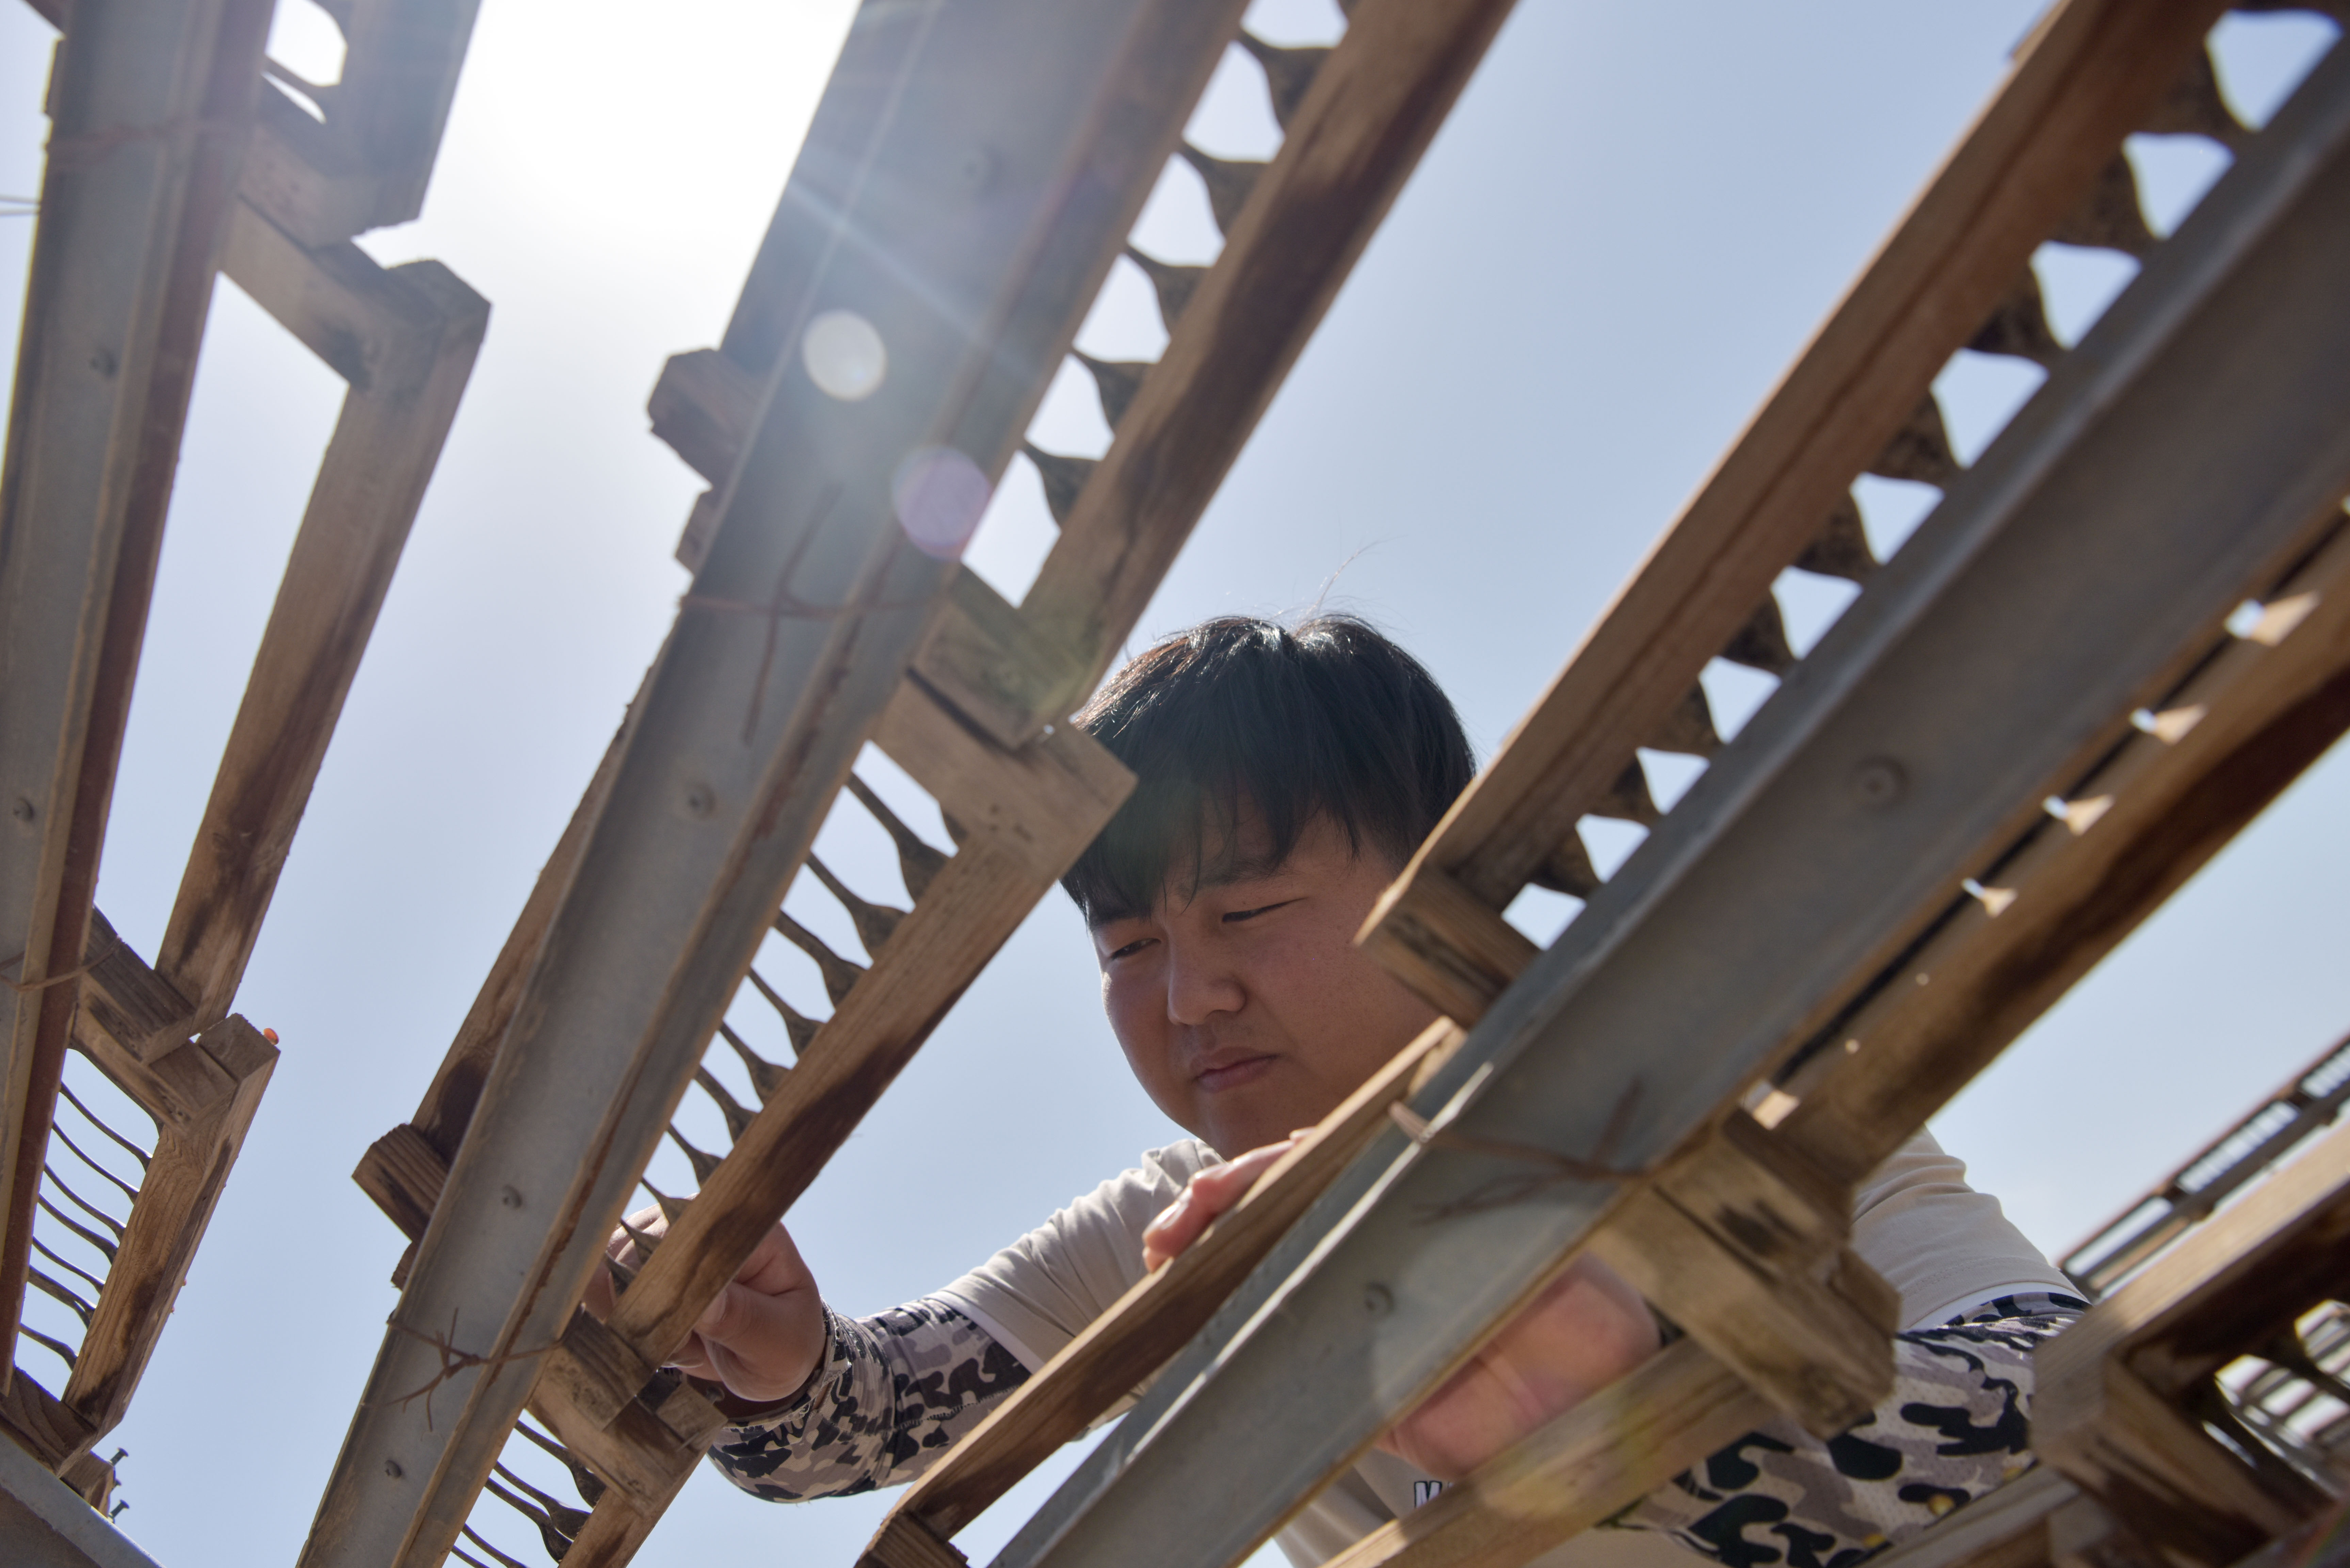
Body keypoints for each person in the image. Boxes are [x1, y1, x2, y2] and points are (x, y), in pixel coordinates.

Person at [603, 616, 2085, 1567]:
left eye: (1246, 914)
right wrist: (770, 1353)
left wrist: (1619, 1399)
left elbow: (2048, 1378)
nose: (1188, 997)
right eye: (1129, 948)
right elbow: (869, 1423)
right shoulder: (1170, 1231)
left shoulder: (1700, 1066)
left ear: (1441, 876)